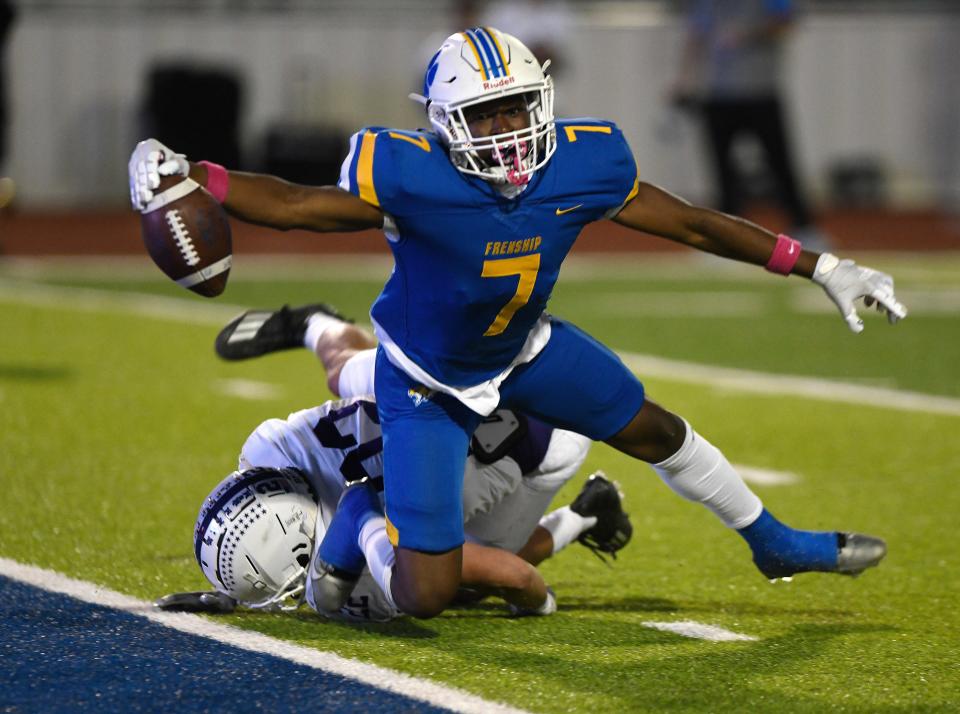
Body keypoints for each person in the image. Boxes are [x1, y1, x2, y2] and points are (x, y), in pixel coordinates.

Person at [130, 27, 904, 620]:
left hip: (523, 351)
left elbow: (696, 225)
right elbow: (298, 208)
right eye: (482, 115)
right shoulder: (409, 174)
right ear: (441, 123)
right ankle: (365, 504)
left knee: (654, 428)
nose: (505, 131)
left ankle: (772, 541)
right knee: (426, 594)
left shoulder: (582, 162)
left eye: (515, 109)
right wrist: (194, 175)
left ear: (543, 100)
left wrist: (824, 267)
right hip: (425, 383)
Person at [192, 392, 631, 622]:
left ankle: (588, 511)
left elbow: (515, 576)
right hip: (485, 386)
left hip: (542, 435)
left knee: (455, 583)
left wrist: (539, 605)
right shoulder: (267, 448)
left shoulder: (369, 557)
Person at [671, 0, 826, 249]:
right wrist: (684, 79)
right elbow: (696, 36)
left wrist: (748, 35)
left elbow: (785, 23)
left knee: (780, 163)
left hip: (759, 91)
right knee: (721, 169)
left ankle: (804, 227)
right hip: (717, 93)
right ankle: (727, 235)